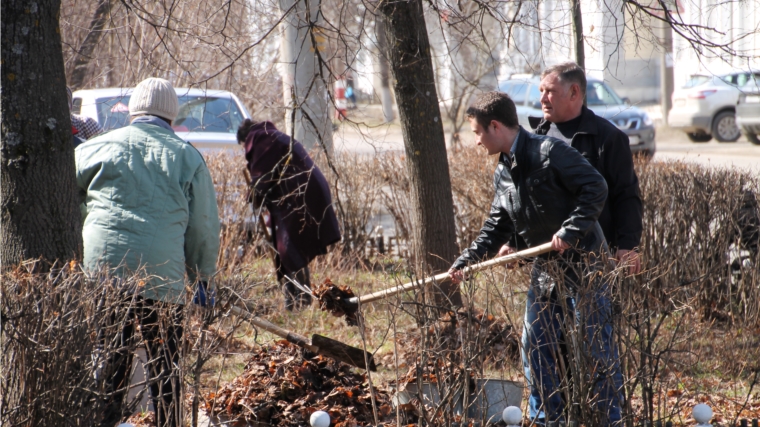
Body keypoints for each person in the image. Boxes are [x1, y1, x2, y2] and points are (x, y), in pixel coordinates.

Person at [448, 92, 624, 425]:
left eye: (476, 132)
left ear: (495, 126)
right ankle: (547, 420)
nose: (475, 141)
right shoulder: (503, 171)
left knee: (596, 349)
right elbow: (497, 226)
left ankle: (608, 420)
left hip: (586, 266)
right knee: (535, 343)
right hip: (546, 271)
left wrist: (570, 232)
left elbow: (596, 188)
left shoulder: (550, 152)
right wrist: (467, 260)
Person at [76, 77, 220, 427]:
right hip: (161, 275)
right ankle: (169, 422)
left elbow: (68, 196)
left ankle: (107, 422)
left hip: (105, 271)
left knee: (111, 362)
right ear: (172, 115)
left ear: (133, 111)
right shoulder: (187, 157)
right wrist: (202, 277)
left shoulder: (96, 147)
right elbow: (202, 225)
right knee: (165, 364)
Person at [528, 62, 643, 275]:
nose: (542, 99)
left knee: (595, 310)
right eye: (541, 91)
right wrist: (514, 241)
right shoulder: (537, 138)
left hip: (593, 261)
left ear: (574, 92)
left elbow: (626, 194)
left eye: (550, 91)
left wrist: (628, 245)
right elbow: (524, 199)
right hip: (548, 262)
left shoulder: (608, 138)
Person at [237, 119, 341, 311]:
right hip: (300, 192)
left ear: (246, 139)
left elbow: (261, 179)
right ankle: (294, 301)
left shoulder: (261, 139)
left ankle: (300, 300)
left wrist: (253, 194)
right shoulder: (270, 137)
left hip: (303, 193)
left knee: (290, 246)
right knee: (285, 245)